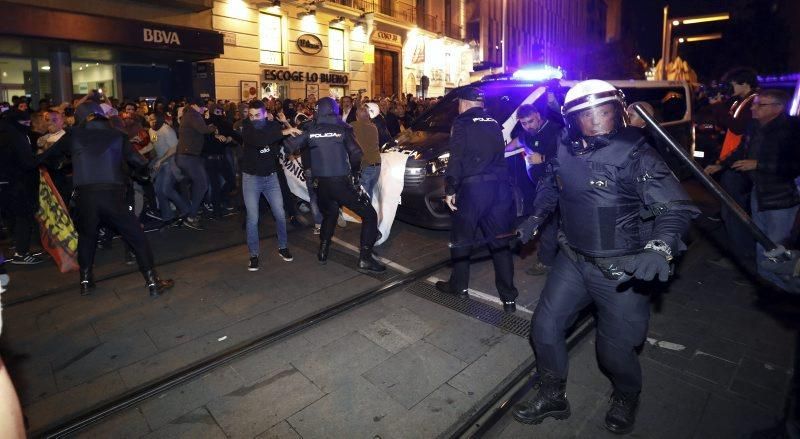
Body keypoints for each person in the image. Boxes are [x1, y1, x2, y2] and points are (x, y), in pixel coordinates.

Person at [512, 80, 698, 434]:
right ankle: (552, 395)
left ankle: (627, 395)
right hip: (573, 259)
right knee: (545, 329)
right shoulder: (565, 149)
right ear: (572, 119)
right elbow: (552, 185)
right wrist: (535, 218)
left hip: (621, 270)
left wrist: (660, 247)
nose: (597, 121)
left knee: (613, 352)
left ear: (619, 112)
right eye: (587, 115)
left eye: (605, 112)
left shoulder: (636, 154)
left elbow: (675, 208)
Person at [41, 101, 174, 297]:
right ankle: (153, 282)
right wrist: (142, 175)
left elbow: (49, 157)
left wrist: (64, 162)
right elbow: (139, 164)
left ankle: (85, 282)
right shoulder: (117, 135)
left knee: (87, 238)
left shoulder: (75, 135)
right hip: (112, 195)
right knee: (137, 238)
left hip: (85, 197)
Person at [706, 89, 800, 292]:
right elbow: (741, 150)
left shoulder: (792, 130)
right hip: (759, 193)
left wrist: (758, 164)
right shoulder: (753, 126)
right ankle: (764, 282)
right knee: (760, 239)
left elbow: (793, 166)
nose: (753, 108)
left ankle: (782, 286)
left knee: (775, 245)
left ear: (778, 108)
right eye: (754, 104)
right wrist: (720, 164)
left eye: (760, 105)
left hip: (781, 198)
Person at [436, 87, 519, 313]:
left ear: (463, 103)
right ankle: (509, 298)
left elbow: (457, 156)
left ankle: (459, 286)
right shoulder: (493, 121)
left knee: (462, 238)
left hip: (474, 189)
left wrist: (450, 187)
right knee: (499, 243)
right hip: (499, 189)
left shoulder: (462, 122)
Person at [283, 97, 385, 273]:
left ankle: (323, 251)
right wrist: (355, 173)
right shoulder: (342, 129)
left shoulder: (310, 129)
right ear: (334, 110)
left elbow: (288, 147)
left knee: (330, 215)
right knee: (370, 215)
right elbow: (356, 154)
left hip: (320, 185)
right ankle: (365, 259)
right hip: (340, 182)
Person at [241, 100, 302, 271]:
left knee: (280, 214)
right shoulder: (247, 127)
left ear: (263, 113)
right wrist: (285, 130)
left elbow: (287, 140)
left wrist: (286, 125)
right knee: (252, 218)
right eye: (251, 115)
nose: (254, 118)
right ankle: (254, 255)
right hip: (251, 179)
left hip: (271, 177)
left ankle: (283, 247)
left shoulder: (273, 125)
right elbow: (261, 141)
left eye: (257, 115)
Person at [507, 104, 562, 277]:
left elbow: (568, 156)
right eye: (523, 123)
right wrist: (498, 151)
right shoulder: (527, 134)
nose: (528, 125)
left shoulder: (556, 131)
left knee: (557, 224)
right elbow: (517, 142)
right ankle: (547, 262)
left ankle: (556, 262)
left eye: (530, 121)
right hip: (541, 187)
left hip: (559, 186)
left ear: (538, 115)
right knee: (548, 225)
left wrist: (544, 158)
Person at [0, 109, 43, 264]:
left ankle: (15, 245)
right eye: (24, 123)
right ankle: (21, 252)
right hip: (18, 183)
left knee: (12, 218)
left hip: (6, 183)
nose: (28, 125)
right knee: (23, 217)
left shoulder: (5, 133)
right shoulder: (16, 137)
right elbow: (27, 162)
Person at [175, 97, 216, 230]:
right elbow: (203, 130)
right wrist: (213, 125)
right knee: (203, 184)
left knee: (191, 184)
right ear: (195, 105)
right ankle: (191, 216)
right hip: (189, 157)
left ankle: (190, 210)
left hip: (186, 156)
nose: (203, 109)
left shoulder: (188, 115)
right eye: (202, 106)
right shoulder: (193, 114)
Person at [351, 106, 382, 199]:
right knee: (369, 194)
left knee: (363, 198)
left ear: (356, 116)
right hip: (377, 165)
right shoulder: (373, 127)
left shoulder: (352, 126)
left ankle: (367, 213)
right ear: (368, 116)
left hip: (365, 166)